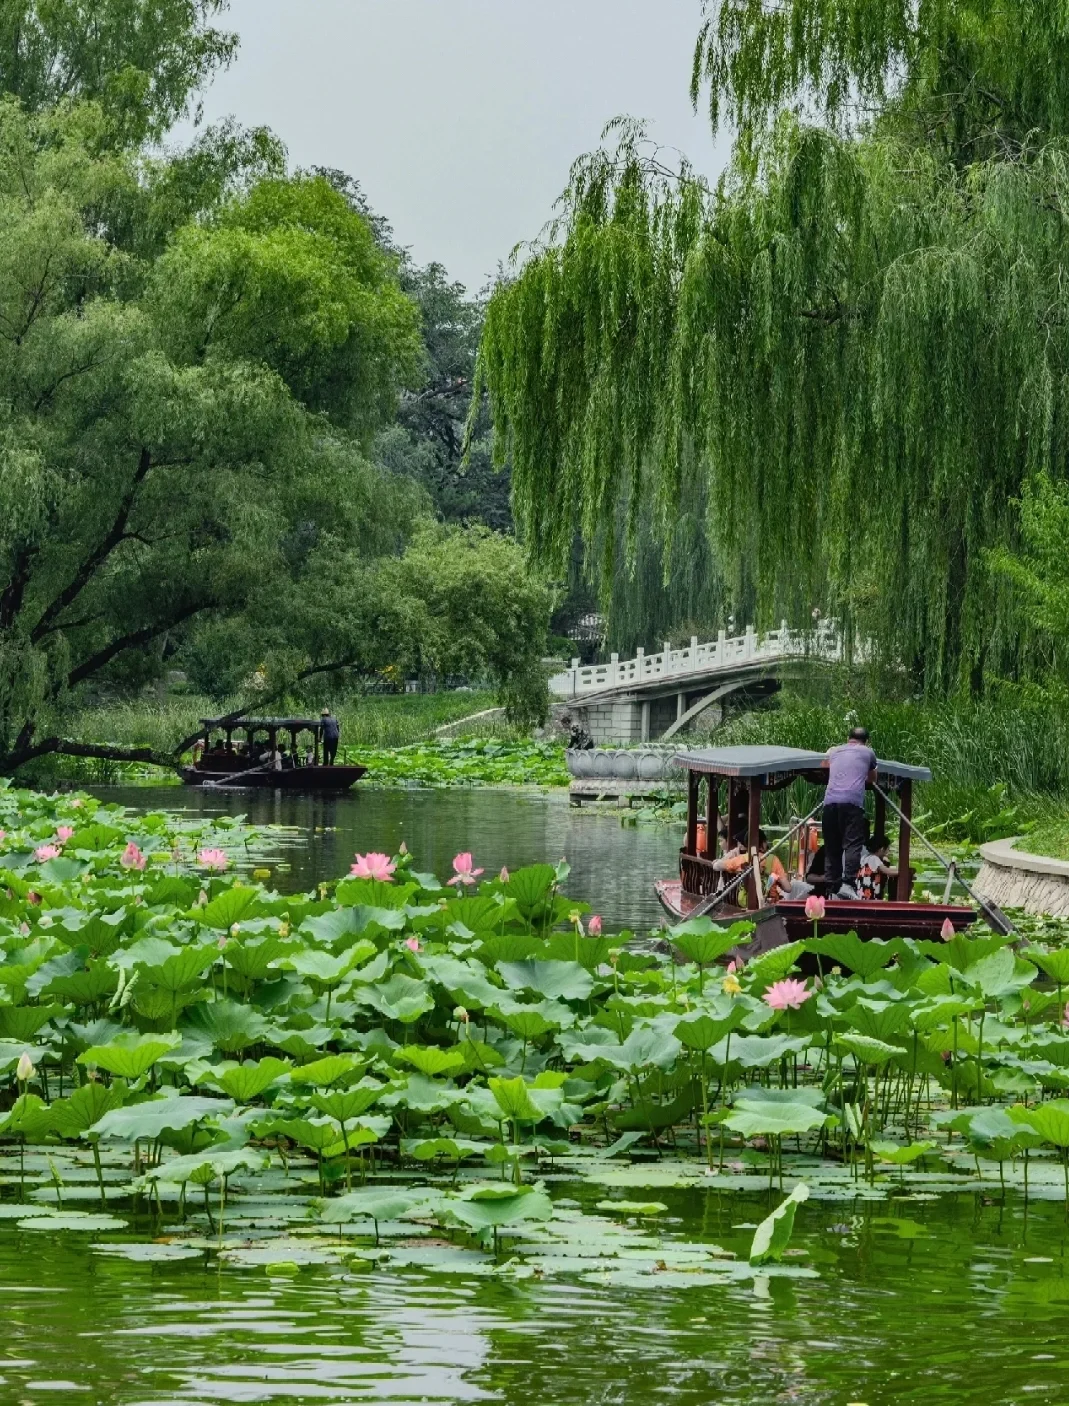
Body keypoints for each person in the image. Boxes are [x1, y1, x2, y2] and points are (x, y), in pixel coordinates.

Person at [821, 726, 878, 898]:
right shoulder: (868, 752)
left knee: (832, 846)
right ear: (866, 741)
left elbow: (824, 765)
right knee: (853, 844)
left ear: (848, 738)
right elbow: (873, 778)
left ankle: (831, 888)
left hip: (829, 803)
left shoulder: (834, 750)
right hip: (852, 803)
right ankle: (847, 884)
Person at [858, 833, 893, 901]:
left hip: (862, 895)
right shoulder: (874, 859)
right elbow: (888, 871)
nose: (888, 851)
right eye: (888, 849)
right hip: (869, 896)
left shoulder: (865, 857)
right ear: (882, 849)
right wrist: (903, 871)